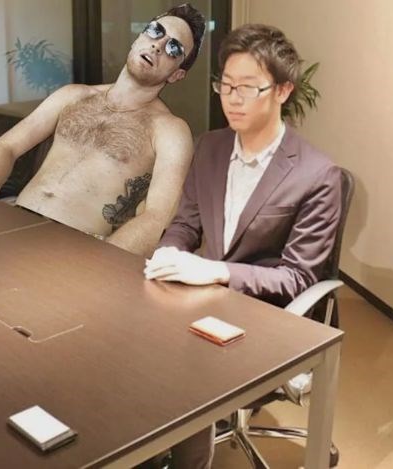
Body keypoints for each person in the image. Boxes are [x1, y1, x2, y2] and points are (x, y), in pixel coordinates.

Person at [144, 23, 342, 465]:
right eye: (226, 85)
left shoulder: (317, 175)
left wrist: (216, 271)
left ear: (283, 91)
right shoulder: (211, 148)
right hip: (208, 303)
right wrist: (169, 251)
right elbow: (186, 223)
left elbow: (298, 278)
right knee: (132, 342)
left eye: (248, 88)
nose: (233, 99)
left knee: (182, 369)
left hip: (269, 317)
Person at [0, 4, 206, 257]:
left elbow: (158, 219)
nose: (158, 45)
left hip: (76, 253)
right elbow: (6, 146)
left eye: (174, 48)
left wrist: (95, 266)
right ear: (138, 38)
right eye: (155, 31)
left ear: (176, 75)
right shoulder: (72, 96)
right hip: (13, 227)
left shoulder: (170, 131)